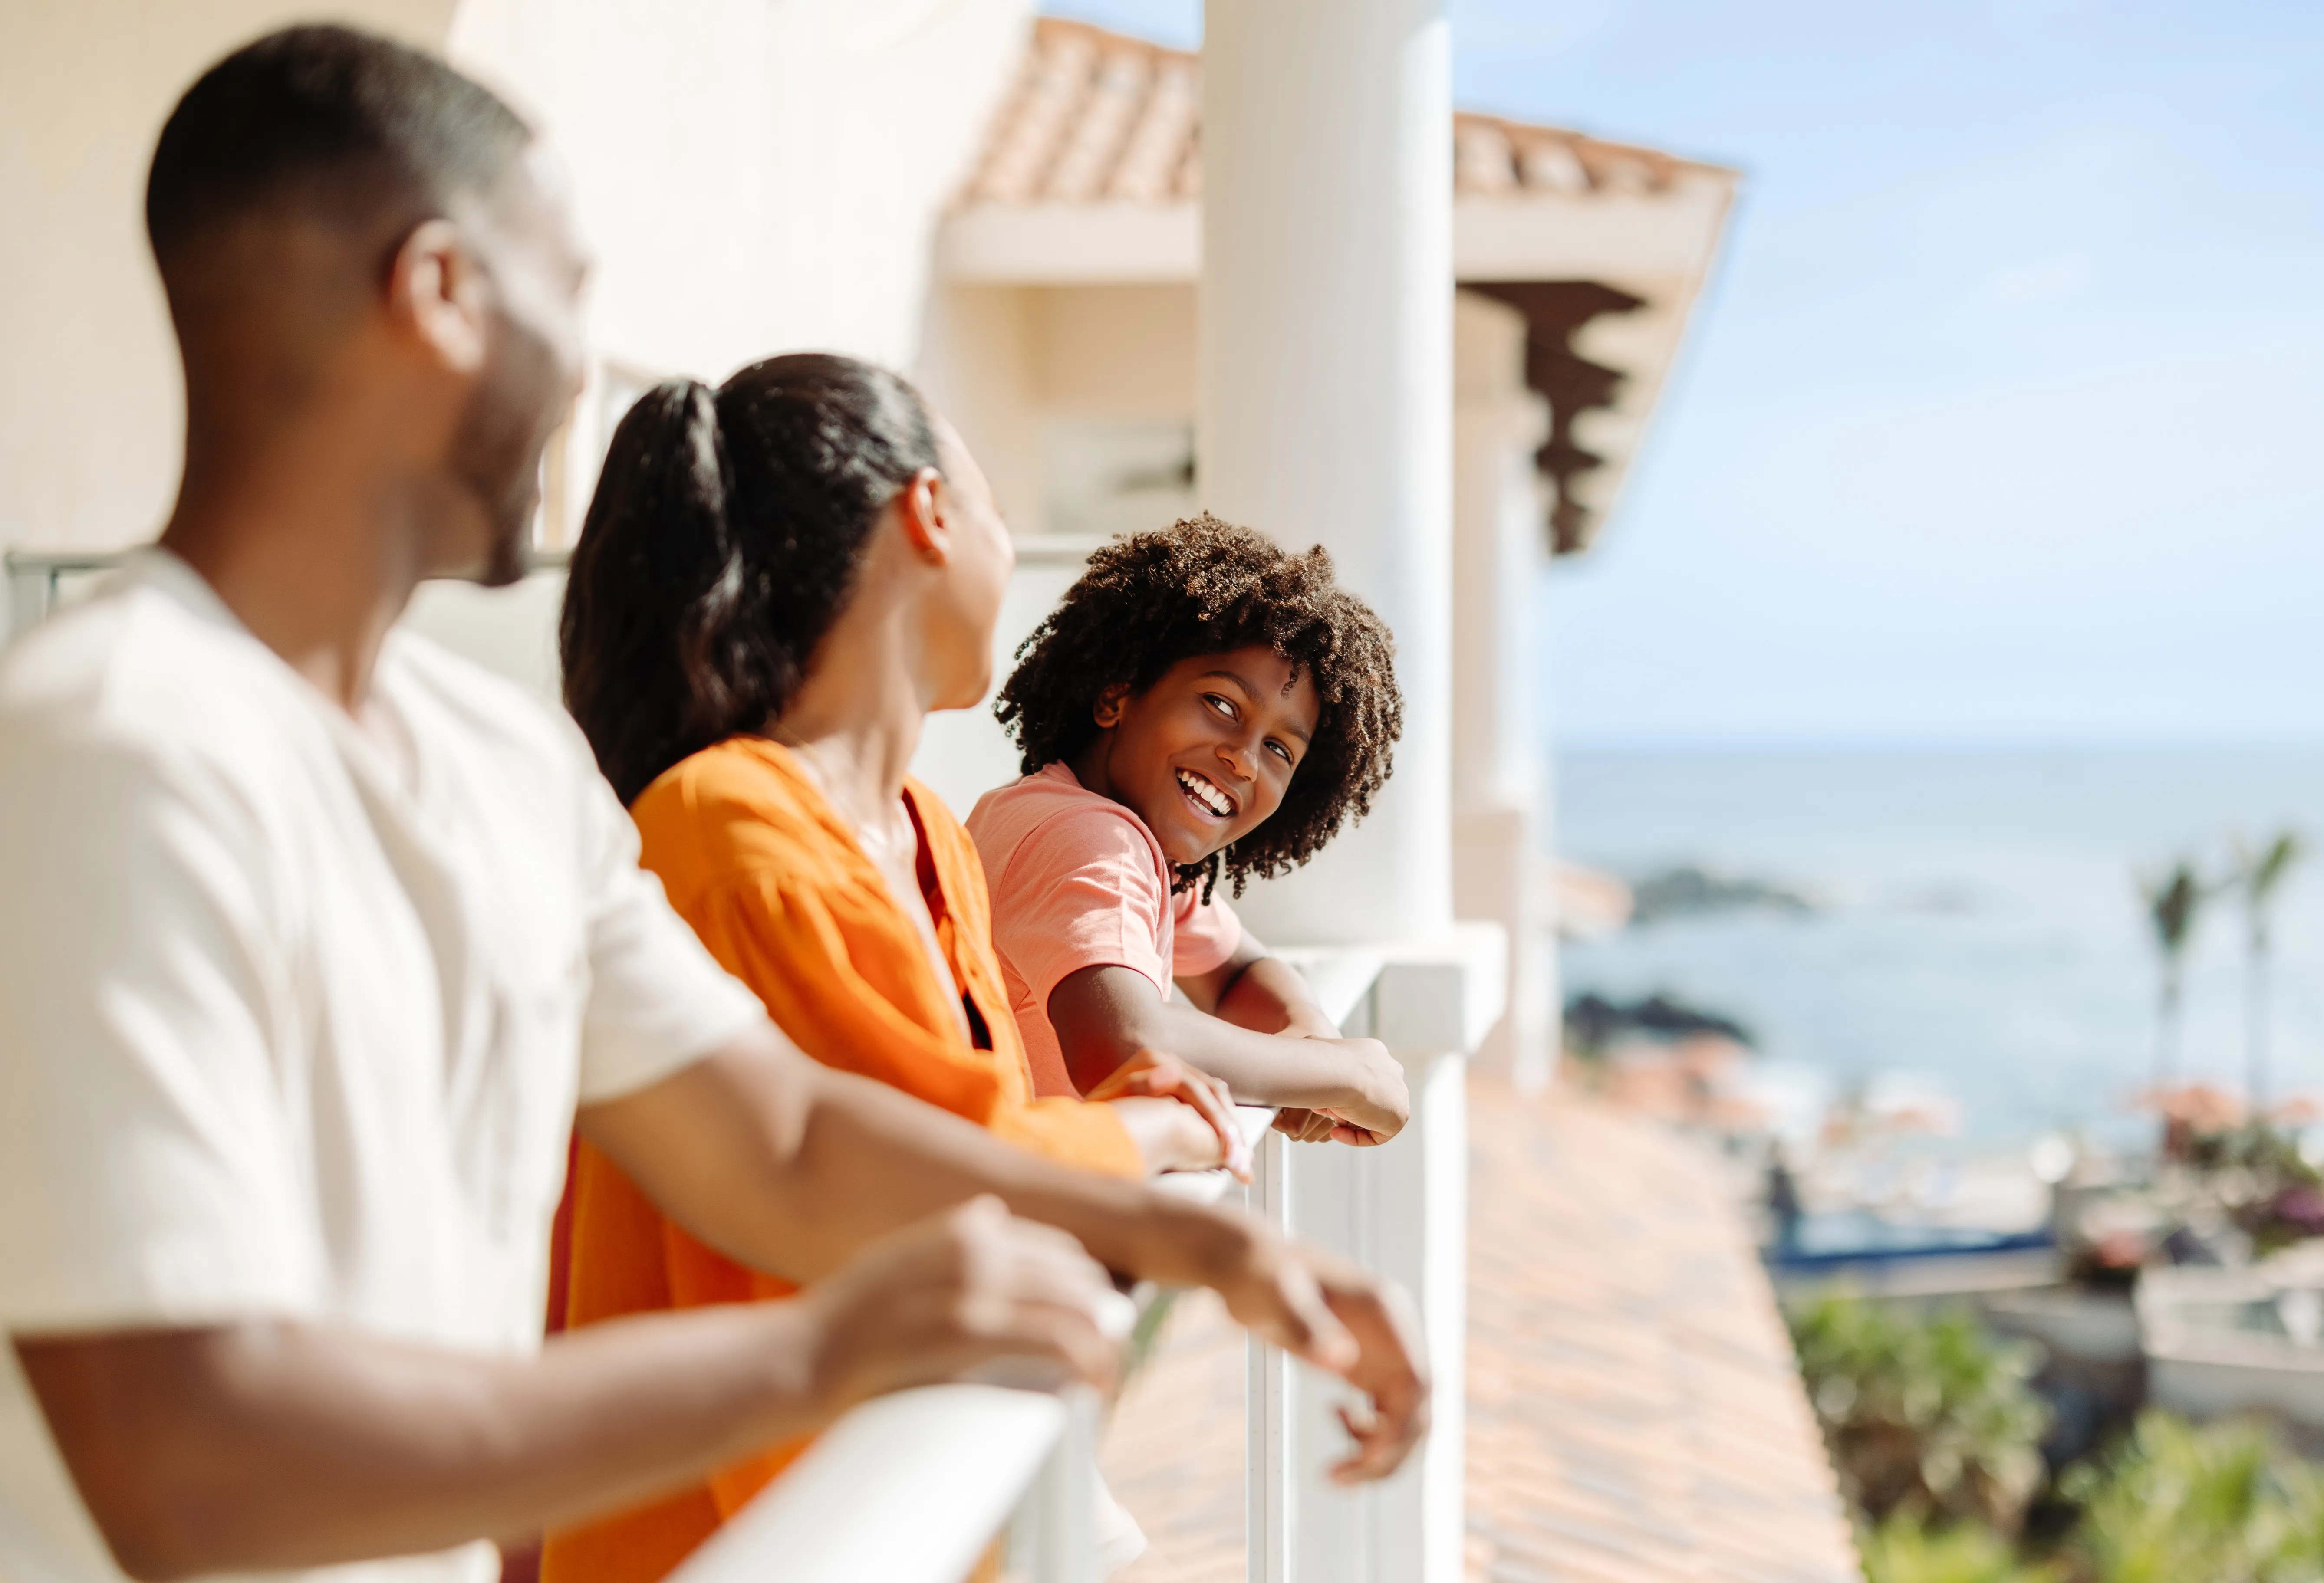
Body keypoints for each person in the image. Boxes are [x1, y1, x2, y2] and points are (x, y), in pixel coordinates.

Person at [0, 28, 1425, 1583]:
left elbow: (793, 1137)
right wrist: (816, 1357)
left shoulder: (499, 770)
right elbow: (181, 1467)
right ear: (442, 293)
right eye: (571, 289)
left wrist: (1201, 1232)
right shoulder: (112, 744)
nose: (592, 379)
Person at [543, 354, 1246, 1582]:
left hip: (897, 1503)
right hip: (742, 1536)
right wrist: (1164, 1139)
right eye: (993, 510)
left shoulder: (932, 834)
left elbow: (974, 1131)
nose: (1012, 550)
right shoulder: (726, 829)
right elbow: (914, 1159)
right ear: (927, 515)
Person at [968, 515, 1413, 1145]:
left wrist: (1308, 1039)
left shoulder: (1116, 838)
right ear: (1115, 696)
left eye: (1281, 750)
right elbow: (1126, 1046)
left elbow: (1237, 973)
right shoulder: (1088, 838)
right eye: (1222, 705)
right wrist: (1341, 1074)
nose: (1244, 759)